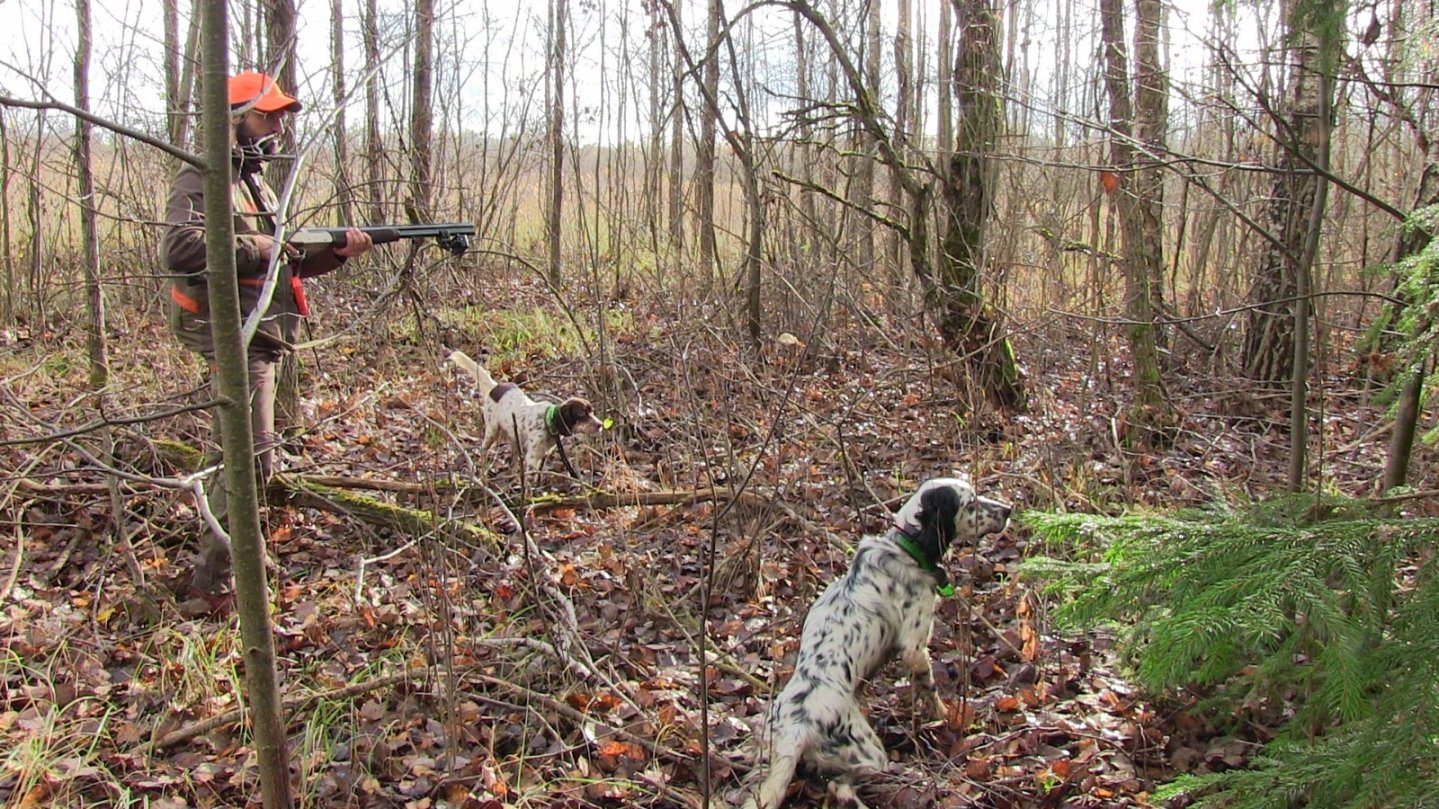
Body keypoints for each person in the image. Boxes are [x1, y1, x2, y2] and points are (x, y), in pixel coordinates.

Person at [161, 70, 374, 594]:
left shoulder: (250, 178)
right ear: (233, 120)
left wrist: (335, 254)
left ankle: (233, 556)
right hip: (228, 328)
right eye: (266, 115)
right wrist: (260, 247)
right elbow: (180, 249)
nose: (277, 125)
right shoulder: (205, 176)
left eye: (280, 115)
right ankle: (213, 582)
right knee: (251, 455)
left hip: (258, 327)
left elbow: (283, 263)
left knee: (236, 452)